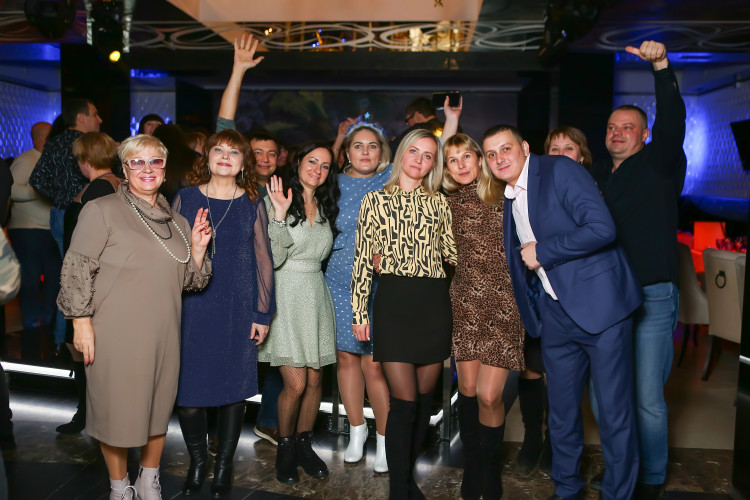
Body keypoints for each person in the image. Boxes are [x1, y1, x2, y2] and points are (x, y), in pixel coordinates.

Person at [485, 124, 642, 500]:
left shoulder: (560, 170)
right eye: (491, 154)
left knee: (614, 413)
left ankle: (618, 494)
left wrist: (544, 251)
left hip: (602, 309)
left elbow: (602, 228)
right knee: (561, 411)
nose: (499, 158)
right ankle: (567, 488)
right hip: (556, 313)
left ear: (524, 147)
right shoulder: (509, 196)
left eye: (506, 148)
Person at [57, 134, 212, 500]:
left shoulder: (178, 222)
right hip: (115, 332)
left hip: (164, 332)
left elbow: (188, 281)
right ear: (124, 170)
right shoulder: (102, 210)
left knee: (158, 408)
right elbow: (77, 268)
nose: (147, 169)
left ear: (164, 169)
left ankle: (149, 478)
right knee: (116, 411)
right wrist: (81, 323)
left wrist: (198, 251)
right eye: (137, 162)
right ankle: (119, 487)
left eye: (155, 161)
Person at [589, 41, 687, 500]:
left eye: (628, 127)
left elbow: (673, 122)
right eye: (612, 127)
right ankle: (621, 470)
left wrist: (661, 68)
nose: (618, 133)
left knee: (646, 397)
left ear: (645, 135)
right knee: (606, 394)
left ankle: (649, 479)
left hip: (651, 294)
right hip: (607, 299)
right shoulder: (597, 177)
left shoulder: (660, 164)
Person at [352, 128, 456, 500]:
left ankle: (408, 479)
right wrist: (359, 312)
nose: (420, 160)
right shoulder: (374, 200)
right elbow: (362, 259)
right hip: (394, 305)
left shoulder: (440, 202)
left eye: (428, 155)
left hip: (433, 304)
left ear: (433, 164)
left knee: (424, 405)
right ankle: (399, 489)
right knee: (405, 404)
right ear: (401, 154)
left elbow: (453, 253)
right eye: (414, 151)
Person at [173, 128, 276, 497]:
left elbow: (264, 260)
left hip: (237, 308)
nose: (225, 157)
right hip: (192, 307)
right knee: (187, 395)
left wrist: (262, 313)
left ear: (243, 162)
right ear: (208, 156)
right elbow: (171, 254)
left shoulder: (251, 202)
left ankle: (223, 466)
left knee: (233, 392)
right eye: (219, 150)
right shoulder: (185, 197)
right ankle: (198, 460)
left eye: (234, 152)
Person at [441, 130, 525, 499]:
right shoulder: (445, 203)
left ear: (479, 159)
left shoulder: (507, 194)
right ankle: (472, 467)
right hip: (465, 303)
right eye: (452, 160)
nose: (460, 165)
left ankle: (489, 471)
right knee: (468, 390)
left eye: (466, 157)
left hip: (505, 304)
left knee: (490, 396)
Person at [216, 34, 284, 447]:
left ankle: (268, 420)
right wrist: (238, 69)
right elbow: (225, 125)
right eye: (256, 152)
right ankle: (218, 430)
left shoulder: (283, 191)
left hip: (269, 286)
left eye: (271, 153)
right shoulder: (234, 186)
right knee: (228, 357)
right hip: (229, 285)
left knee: (277, 356)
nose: (263, 158)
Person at [260, 141, 339, 485]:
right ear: (298, 162)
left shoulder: (325, 205)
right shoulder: (276, 198)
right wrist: (279, 216)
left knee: (316, 380)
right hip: (286, 294)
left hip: (315, 294)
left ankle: (305, 446)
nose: (317, 170)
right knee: (296, 383)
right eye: (312, 161)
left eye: (325, 165)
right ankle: (285, 449)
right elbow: (273, 258)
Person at [325, 116, 392, 472]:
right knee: (346, 358)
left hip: (379, 282)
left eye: (372, 146)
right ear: (347, 152)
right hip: (338, 278)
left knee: (374, 363)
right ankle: (356, 431)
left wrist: (452, 120)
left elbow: (431, 156)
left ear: (382, 152)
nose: (365, 152)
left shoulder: (393, 178)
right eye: (358, 146)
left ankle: (384, 438)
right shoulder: (333, 182)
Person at [56, 132, 122, 435]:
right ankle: (88, 414)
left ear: (85, 158)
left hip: (88, 281)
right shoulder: (111, 183)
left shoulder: (100, 187)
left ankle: (88, 415)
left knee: (84, 350)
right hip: (90, 279)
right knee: (84, 350)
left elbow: (94, 242)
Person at [29, 98, 102, 349]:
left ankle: (60, 340)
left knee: (67, 275)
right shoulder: (90, 145)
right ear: (81, 118)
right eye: (95, 114)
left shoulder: (54, 142)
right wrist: (74, 197)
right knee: (82, 279)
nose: (100, 119)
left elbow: (37, 179)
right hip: (82, 215)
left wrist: (60, 197)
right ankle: (74, 340)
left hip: (59, 214)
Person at [7, 122, 59, 330]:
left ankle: (45, 320)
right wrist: (39, 191)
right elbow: (10, 190)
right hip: (28, 230)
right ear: (42, 139)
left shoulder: (46, 160)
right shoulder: (26, 159)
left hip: (46, 229)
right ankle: (31, 322)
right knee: (31, 277)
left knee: (53, 275)